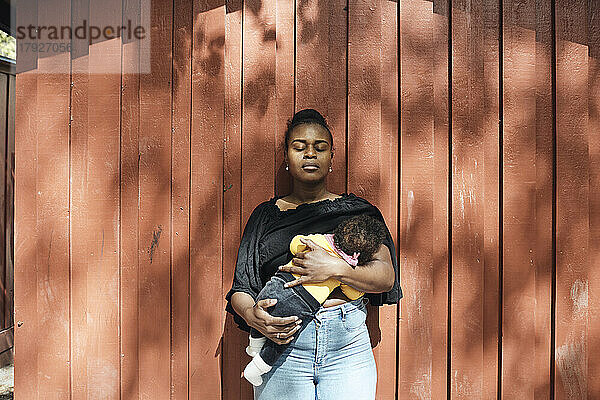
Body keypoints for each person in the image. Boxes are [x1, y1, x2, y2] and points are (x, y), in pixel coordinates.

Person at [225, 109, 402, 400]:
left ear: (332, 158)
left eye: (320, 148)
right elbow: (241, 289)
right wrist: (252, 316)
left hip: (347, 348)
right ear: (286, 157)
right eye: (299, 147)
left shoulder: (358, 213)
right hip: (282, 347)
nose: (310, 154)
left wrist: (335, 269)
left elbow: (385, 277)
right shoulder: (266, 217)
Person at [242, 214, 388, 386]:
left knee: (271, 316)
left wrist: (334, 267)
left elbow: (296, 244)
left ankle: (254, 347)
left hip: (278, 286)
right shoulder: (348, 263)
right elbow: (352, 294)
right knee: (279, 341)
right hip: (301, 306)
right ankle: (258, 367)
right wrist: (344, 272)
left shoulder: (319, 241)